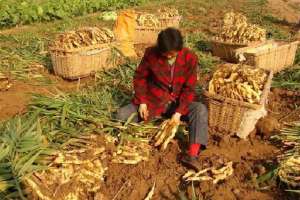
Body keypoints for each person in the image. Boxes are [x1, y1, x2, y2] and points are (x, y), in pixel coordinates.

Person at [116, 27, 208, 170]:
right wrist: (142, 102)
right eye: (166, 54)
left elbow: (189, 89)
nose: (169, 57)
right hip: (153, 102)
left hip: (177, 104)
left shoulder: (190, 58)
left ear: (180, 48)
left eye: (172, 54)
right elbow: (140, 78)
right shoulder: (151, 54)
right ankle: (127, 137)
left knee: (200, 109)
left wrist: (178, 113)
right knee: (121, 115)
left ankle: (192, 155)